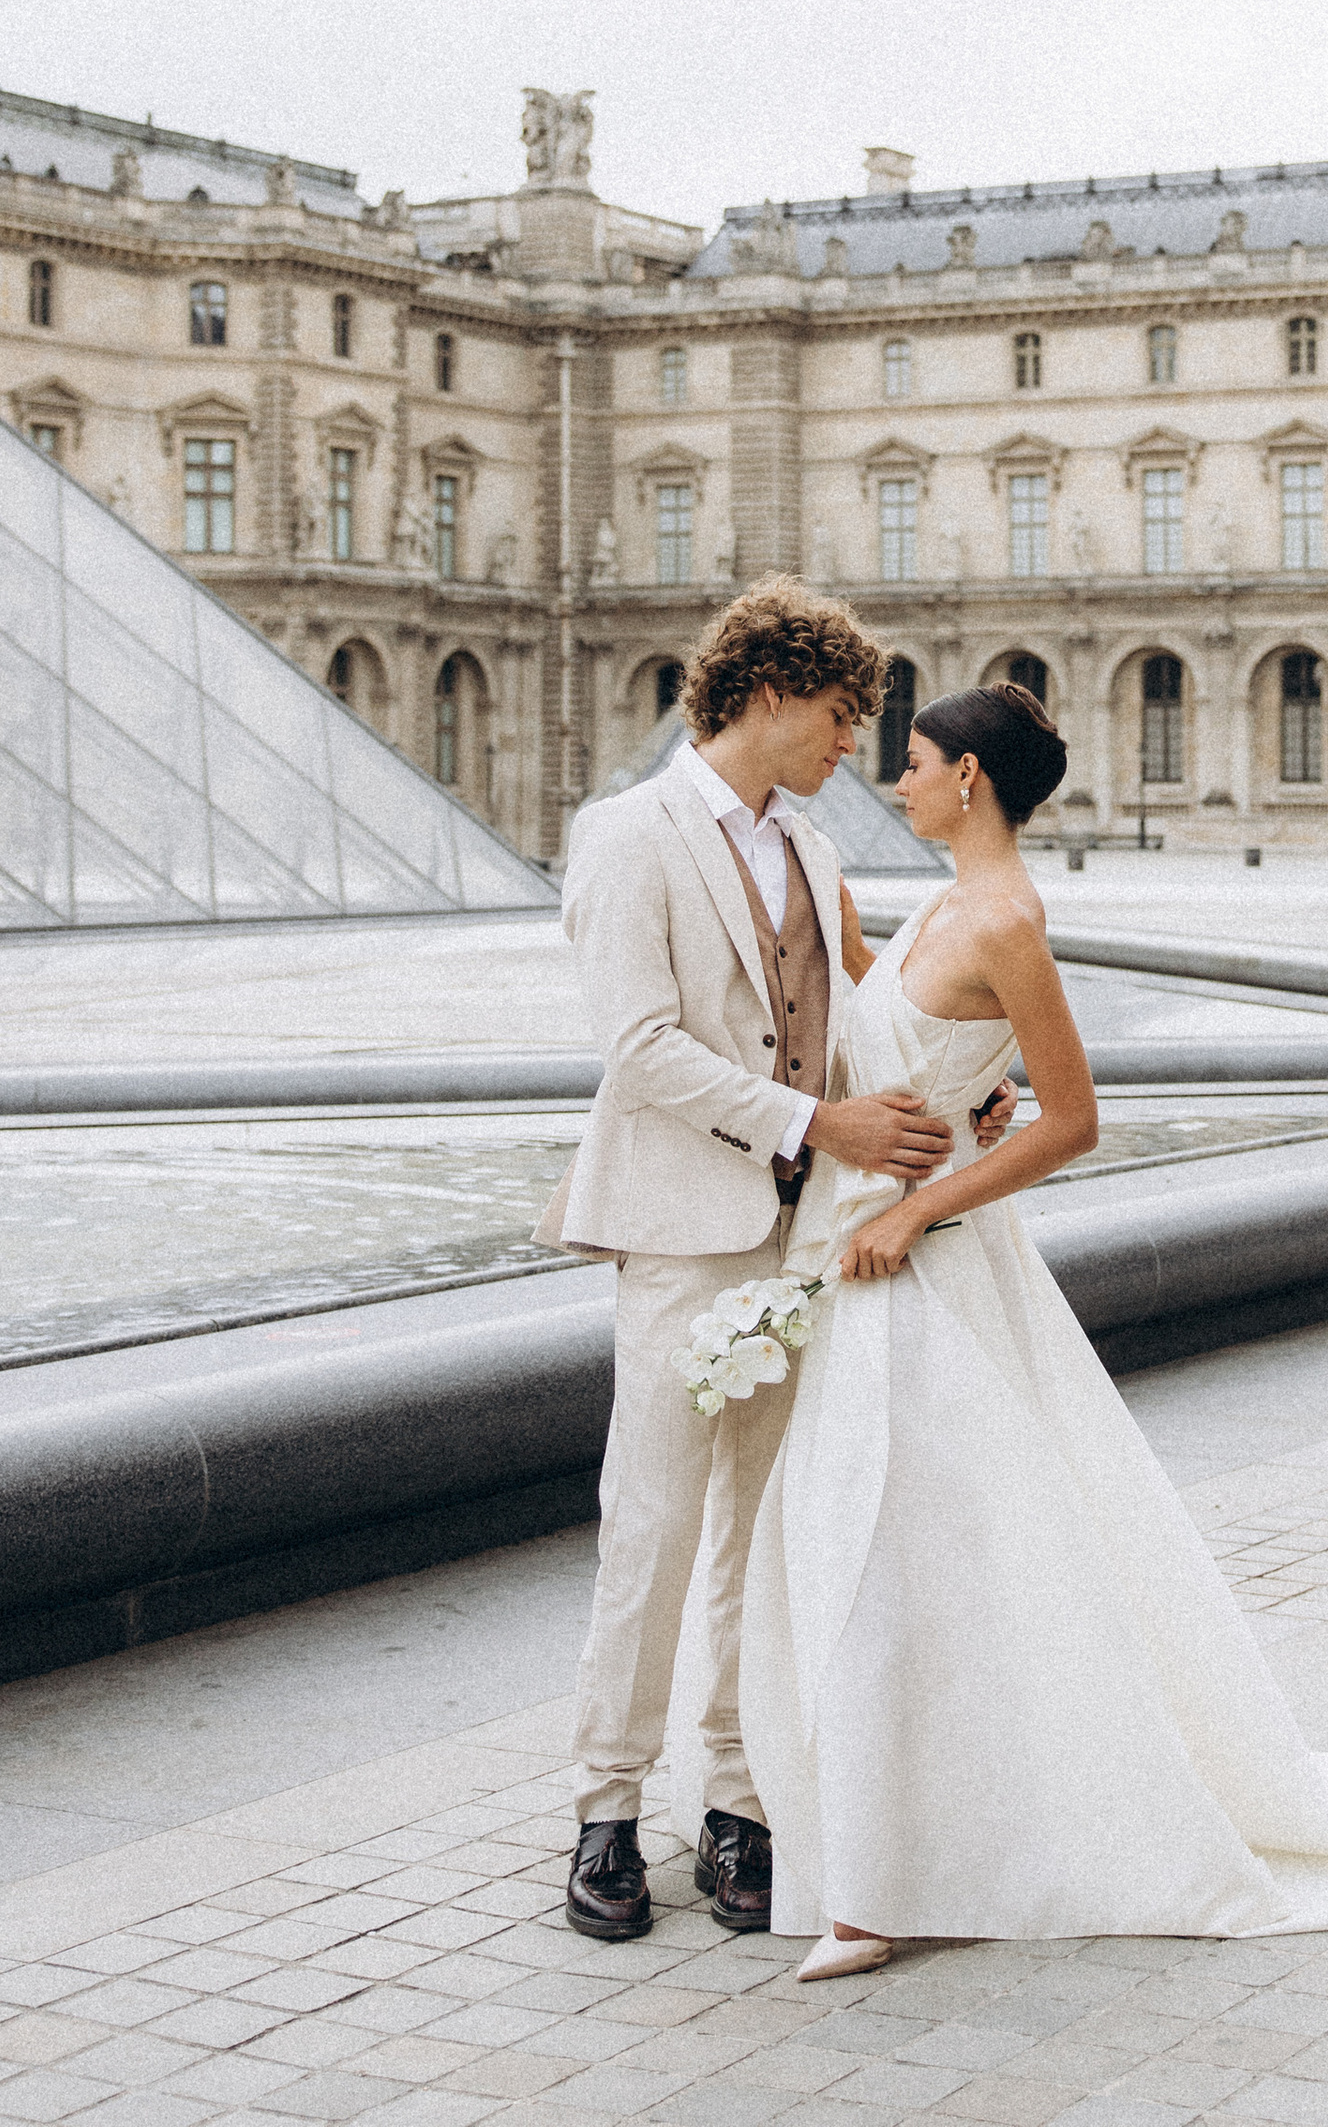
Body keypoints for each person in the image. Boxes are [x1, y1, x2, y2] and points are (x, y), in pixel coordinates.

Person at [696, 678, 1328, 1981]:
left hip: (918, 1272)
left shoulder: (1009, 915)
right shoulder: (944, 903)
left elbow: (1075, 1123)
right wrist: (942, 1088)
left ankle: (880, 1882)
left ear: (969, 779)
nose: (894, 778)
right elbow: (942, 1062)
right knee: (889, 1565)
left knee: (889, 1564)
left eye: (912, 761)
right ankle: (890, 1850)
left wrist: (923, 1212)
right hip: (869, 1261)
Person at [535, 579, 1012, 1945]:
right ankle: (606, 1811)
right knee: (654, 1528)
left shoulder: (807, 848)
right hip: (682, 1235)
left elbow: (841, 1021)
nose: (853, 747)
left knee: (760, 1535)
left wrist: (952, 1102)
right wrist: (819, 1120)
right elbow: (638, 1046)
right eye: (843, 716)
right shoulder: (629, 836)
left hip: (798, 1238)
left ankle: (736, 1802)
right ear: (768, 694)